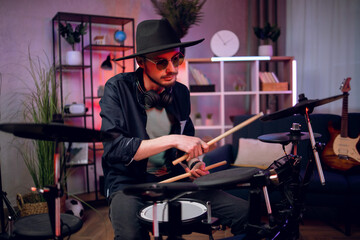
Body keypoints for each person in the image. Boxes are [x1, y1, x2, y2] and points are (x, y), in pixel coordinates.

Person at [100, 18, 248, 240]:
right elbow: (115, 148)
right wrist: (172, 139)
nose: (172, 69)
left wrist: (193, 162)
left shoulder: (179, 92)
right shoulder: (117, 89)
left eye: (177, 58)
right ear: (141, 61)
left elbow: (185, 143)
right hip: (129, 185)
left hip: (175, 181)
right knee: (131, 236)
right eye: (161, 62)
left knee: (246, 213)